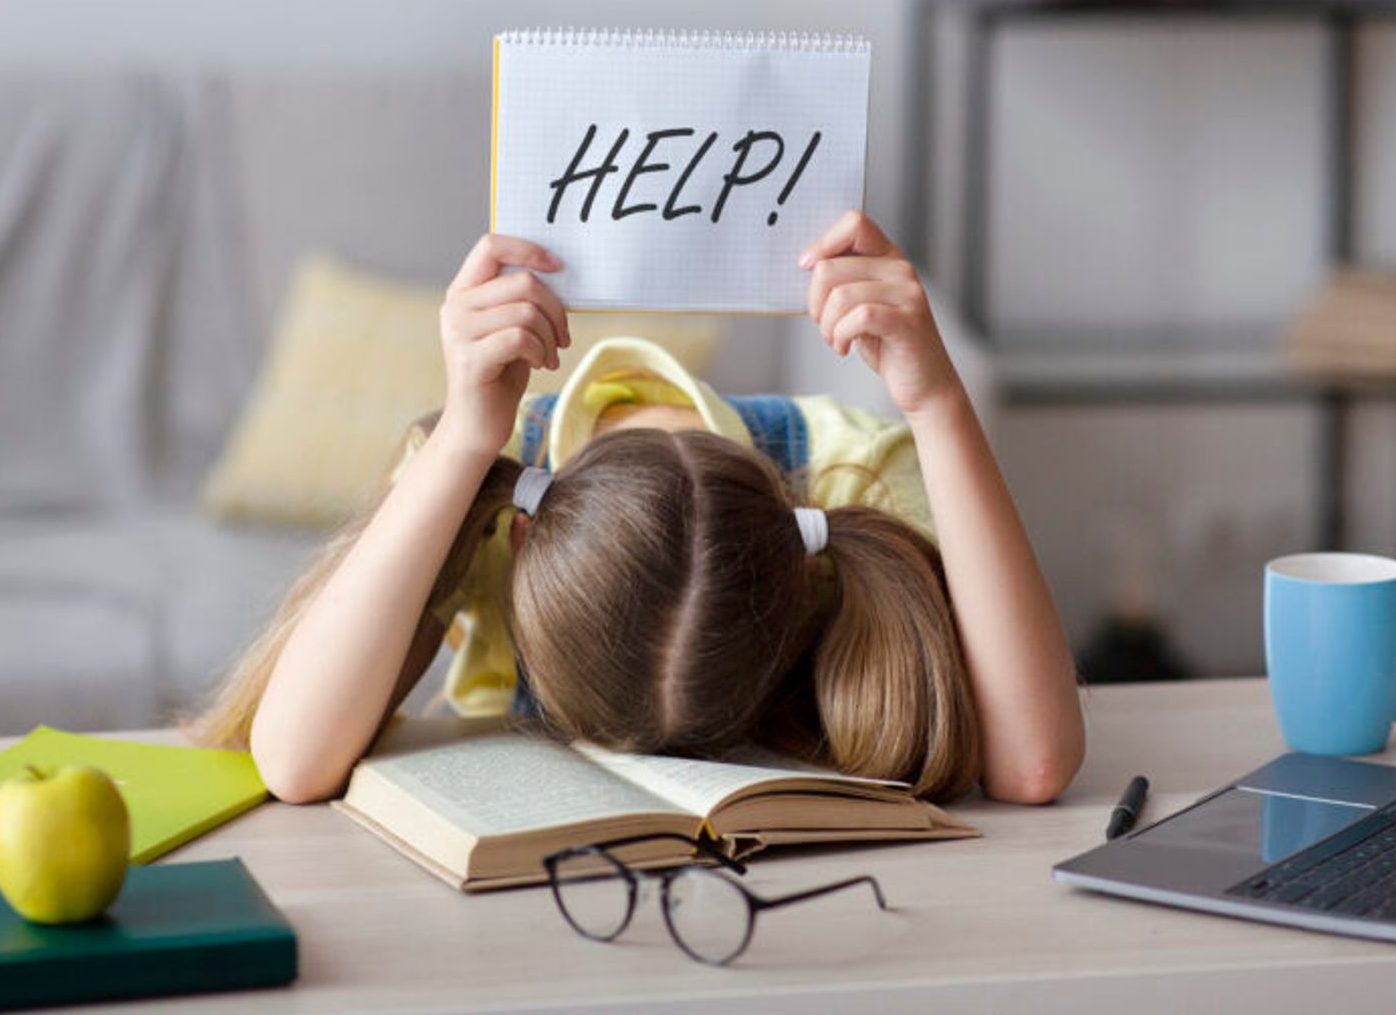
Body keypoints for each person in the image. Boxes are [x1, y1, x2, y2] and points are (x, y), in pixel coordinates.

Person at [192, 211, 1084, 806]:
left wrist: (938, 404)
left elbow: (1035, 762)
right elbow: (294, 759)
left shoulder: (855, 472)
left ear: (798, 571)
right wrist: (464, 439)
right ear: (526, 539)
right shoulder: (480, 488)